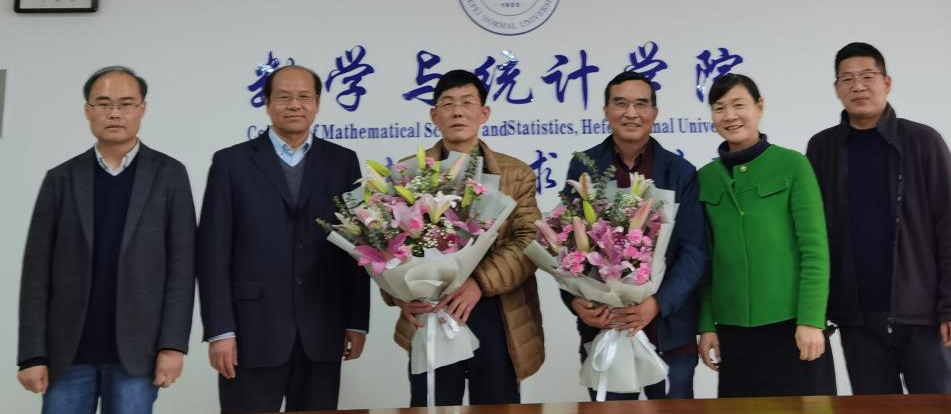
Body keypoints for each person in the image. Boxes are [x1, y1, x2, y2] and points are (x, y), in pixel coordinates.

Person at [17, 66, 196, 414]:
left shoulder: (170, 175)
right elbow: (36, 274)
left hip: (138, 353)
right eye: (103, 104)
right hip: (67, 353)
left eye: (125, 104)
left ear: (142, 109)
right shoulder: (61, 179)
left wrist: (173, 346)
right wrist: (32, 354)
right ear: (88, 111)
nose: (114, 113)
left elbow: (182, 268)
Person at [197, 65, 369, 414]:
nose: (294, 105)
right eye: (284, 97)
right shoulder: (231, 163)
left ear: (317, 103)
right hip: (251, 332)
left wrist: (356, 321)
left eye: (304, 97)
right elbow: (212, 254)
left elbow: (357, 248)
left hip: (323, 328)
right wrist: (220, 331)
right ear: (266, 102)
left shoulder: (343, 162)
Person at [806, 42, 951, 394]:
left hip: (922, 314)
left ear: (887, 82)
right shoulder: (822, 148)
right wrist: (816, 309)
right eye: (847, 79)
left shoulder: (923, 142)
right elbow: (813, 234)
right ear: (836, 88)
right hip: (857, 317)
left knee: (937, 409)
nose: (858, 86)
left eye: (868, 76)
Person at [385, 69, 544, 405]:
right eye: (448, 104)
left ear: (484, 113)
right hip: (430, 309)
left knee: (497, 406)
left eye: (467, 103)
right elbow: (385, 240)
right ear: (434, 115)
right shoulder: (407, 172)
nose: (457, 112)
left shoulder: (516, 174)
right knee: (433, 405)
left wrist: (479, 283)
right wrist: (399, 295)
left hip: (497, 310)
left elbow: (529, 240)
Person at [563, 71, 707, 400]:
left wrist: (658, 303)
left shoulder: (681, 172)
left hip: (670, 331)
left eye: (641, 104)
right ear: (606, 111)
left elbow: (694, 251)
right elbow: (567, 246)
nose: (631, 113)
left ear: (654, 113)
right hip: (605, 327)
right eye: (621, 103)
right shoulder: (584, 169)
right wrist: (576, 301)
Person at [697, 72, 835, 397]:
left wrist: (811, 320)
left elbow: (815, 251)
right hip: (733, 332)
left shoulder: (793, 165)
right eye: (719, 108)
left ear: (759, 107)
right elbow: (704, 261)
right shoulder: (705, 178)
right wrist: (706, 325)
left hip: (793, 327)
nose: (730, 116)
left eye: (739, 105)